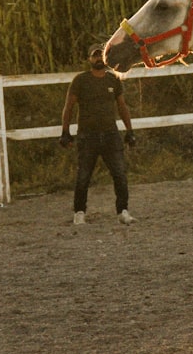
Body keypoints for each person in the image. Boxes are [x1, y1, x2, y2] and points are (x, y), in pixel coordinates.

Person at [59, 44, 137, 225]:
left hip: (111, 135)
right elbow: (69, 107)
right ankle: (79, 212)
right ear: (89, 59)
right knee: (83, 176)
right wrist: (65, 132)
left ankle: (123, 211)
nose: (98, 59)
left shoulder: (113, 80)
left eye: (101, 55)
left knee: (120, 174)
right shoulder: (80, 81)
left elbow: (122, 107)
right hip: (88, 136)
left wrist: (130, 131)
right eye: (95, 56)